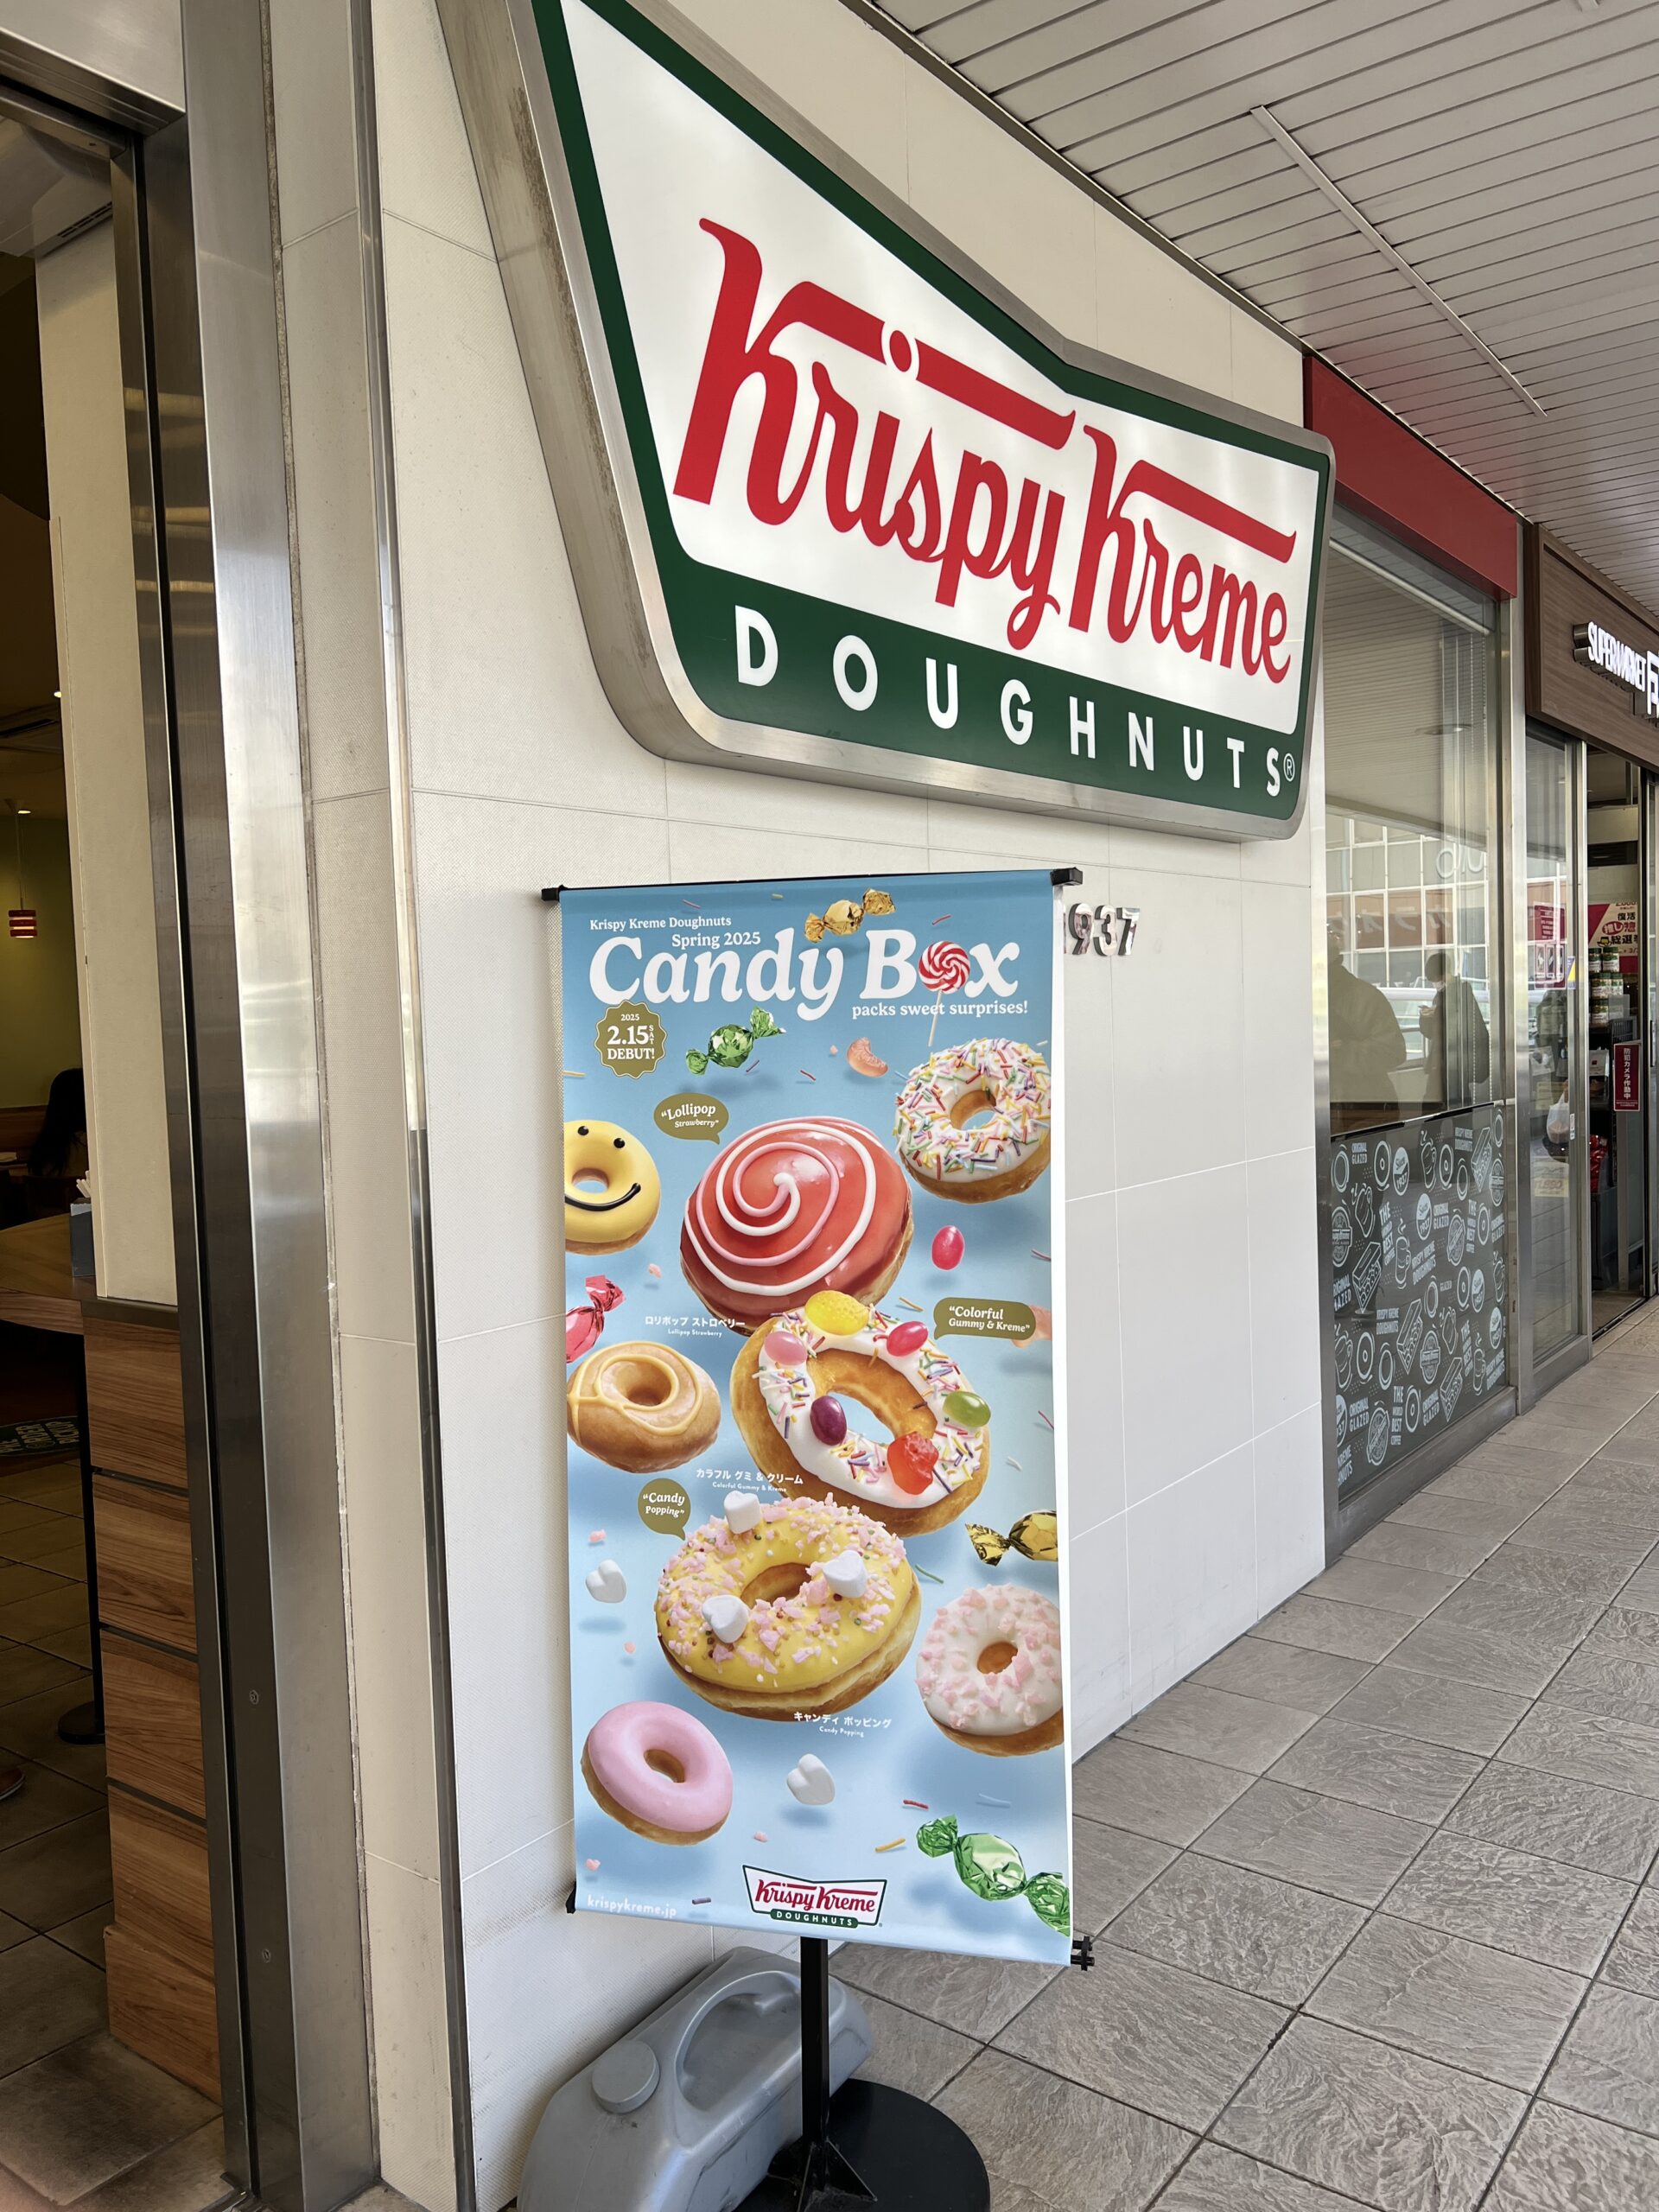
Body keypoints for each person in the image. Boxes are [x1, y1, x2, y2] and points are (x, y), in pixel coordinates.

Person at [1328, 931, 1406, 1126]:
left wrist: (1341, 1051)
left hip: (1366, 1113)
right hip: (1324, 1116)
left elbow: (1394, 1051)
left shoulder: (1365, 997)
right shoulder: (1300, 1001)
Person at [1420, 950, 1490, 1109]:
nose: (1435, 984)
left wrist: (1437, 1013)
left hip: (1456, 1061)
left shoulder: (1462, 991)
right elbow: (1431, 1032)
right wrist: (1426, 1017)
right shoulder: (1440, 995)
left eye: (1436, 980)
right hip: (1441, 1061)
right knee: (1433, 1105)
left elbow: (1463, 1022)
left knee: (1457, 1104)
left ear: (1444, 974)